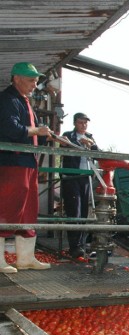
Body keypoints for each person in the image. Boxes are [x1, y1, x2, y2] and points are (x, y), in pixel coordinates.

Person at [0, 62, 52, 273]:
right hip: (12, 161)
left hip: (27, 161)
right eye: (31, 80)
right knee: (6, 208)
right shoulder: (7, 99)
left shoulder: (23, 101)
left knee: (28, 210)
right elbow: (10, 128)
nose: (35, 84)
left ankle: (25, 257)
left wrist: (43, 134)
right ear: (17, 79)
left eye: (36, 80)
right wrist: (37, 131)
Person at [61, 112, 99, 258]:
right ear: (75, 123)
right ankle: (74, 247)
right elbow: (64, 148)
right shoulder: (68, 135)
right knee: (74, 211)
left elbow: (97, 154)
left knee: (84, 211)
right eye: (80, 123)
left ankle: (81, 245)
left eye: (85, 123)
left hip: (85, 178)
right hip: (71, 177)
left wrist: (91, 145)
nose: (83, 125)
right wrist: (79, 144)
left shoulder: (90, 137)